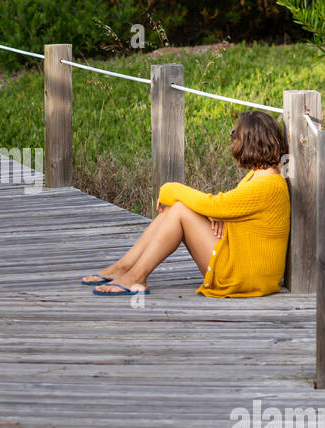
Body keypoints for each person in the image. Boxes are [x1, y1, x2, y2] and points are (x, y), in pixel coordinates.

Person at [82, 111, 291, 297]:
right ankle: (124, 267)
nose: (232, 139)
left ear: (249, 142)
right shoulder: (259, 177)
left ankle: (135, 276)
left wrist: (169, 189)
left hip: (246, 276)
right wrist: (221, 217)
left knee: (180, 210)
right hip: (245, 266)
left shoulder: (267, 184)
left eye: (234, 134)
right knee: (174, 210)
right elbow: (233, 209)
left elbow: (216, 204)